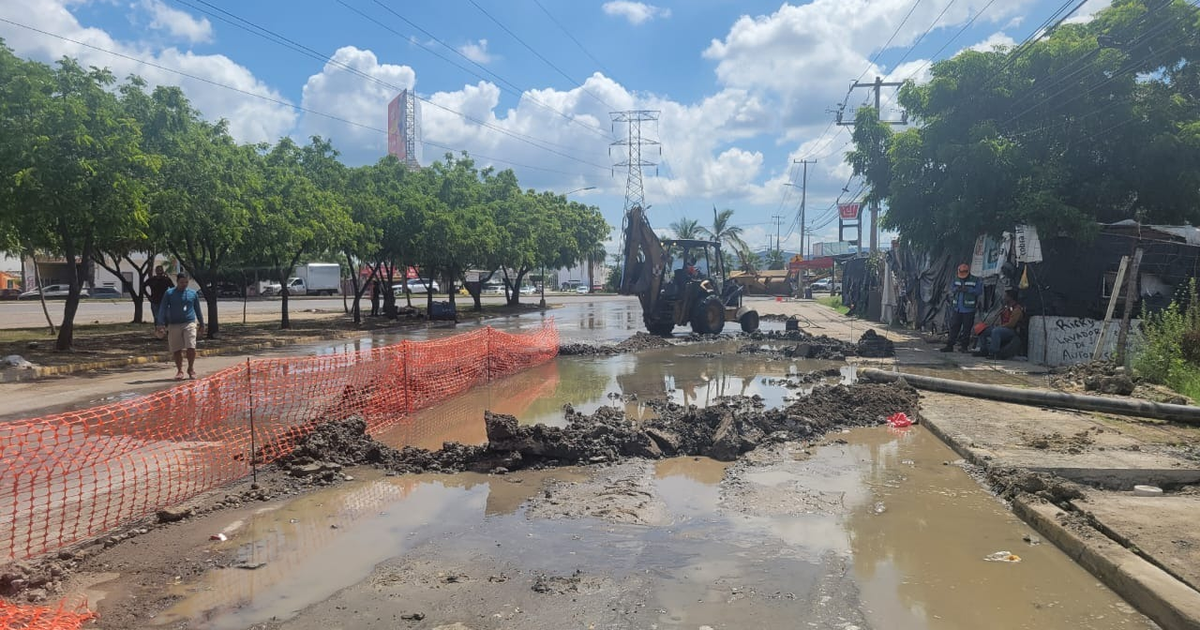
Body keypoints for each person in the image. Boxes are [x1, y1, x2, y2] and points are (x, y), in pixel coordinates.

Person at [156, 273, 205, 380]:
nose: (184, 284)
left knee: (191, 346)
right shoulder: (169, 293)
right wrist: (160, 323)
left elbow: (198, 309)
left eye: (186, 282)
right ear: (177, 282)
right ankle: (180, 371)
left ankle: (191, 369)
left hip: (189, 322)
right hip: (174, 324)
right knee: (177, 349)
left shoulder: (192, 294)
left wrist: (202, 323)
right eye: (182, 282)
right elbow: (163, 308)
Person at [941, 263, 984, 353]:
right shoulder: (956, 278)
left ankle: (964, 347)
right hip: (957, 308)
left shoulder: (975, 280)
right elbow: (952, 288)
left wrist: (968, 290)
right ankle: (950, 345)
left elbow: (979, 291)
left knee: (966, 329)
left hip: (969, 309)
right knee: (954, 327)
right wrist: (957, 289)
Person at [975, 289, 1025, 359]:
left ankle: (994, 352)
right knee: (982, 329)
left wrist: (1000, 326)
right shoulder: (1005, 307)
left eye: (1006, 296)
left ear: (1010, 298)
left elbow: (1011, 324)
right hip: (1002, 328)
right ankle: (983, 349)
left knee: (996, 331)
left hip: (1011, 331)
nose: (1004, 297)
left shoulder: (1017, 309)